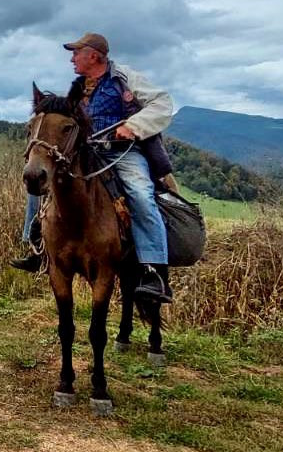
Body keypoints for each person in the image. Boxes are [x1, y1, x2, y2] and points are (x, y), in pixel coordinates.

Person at [13, 32, 175, 303]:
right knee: (40, 182)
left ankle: (153, 272)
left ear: (94, 56)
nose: (72, 58)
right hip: (87, 152)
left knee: (140, 194)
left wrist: (132, 126)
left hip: (123, 152)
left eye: (76, 53)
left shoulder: (123, 77)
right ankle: (39, 249)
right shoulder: (78, 88)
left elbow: (162, 103)